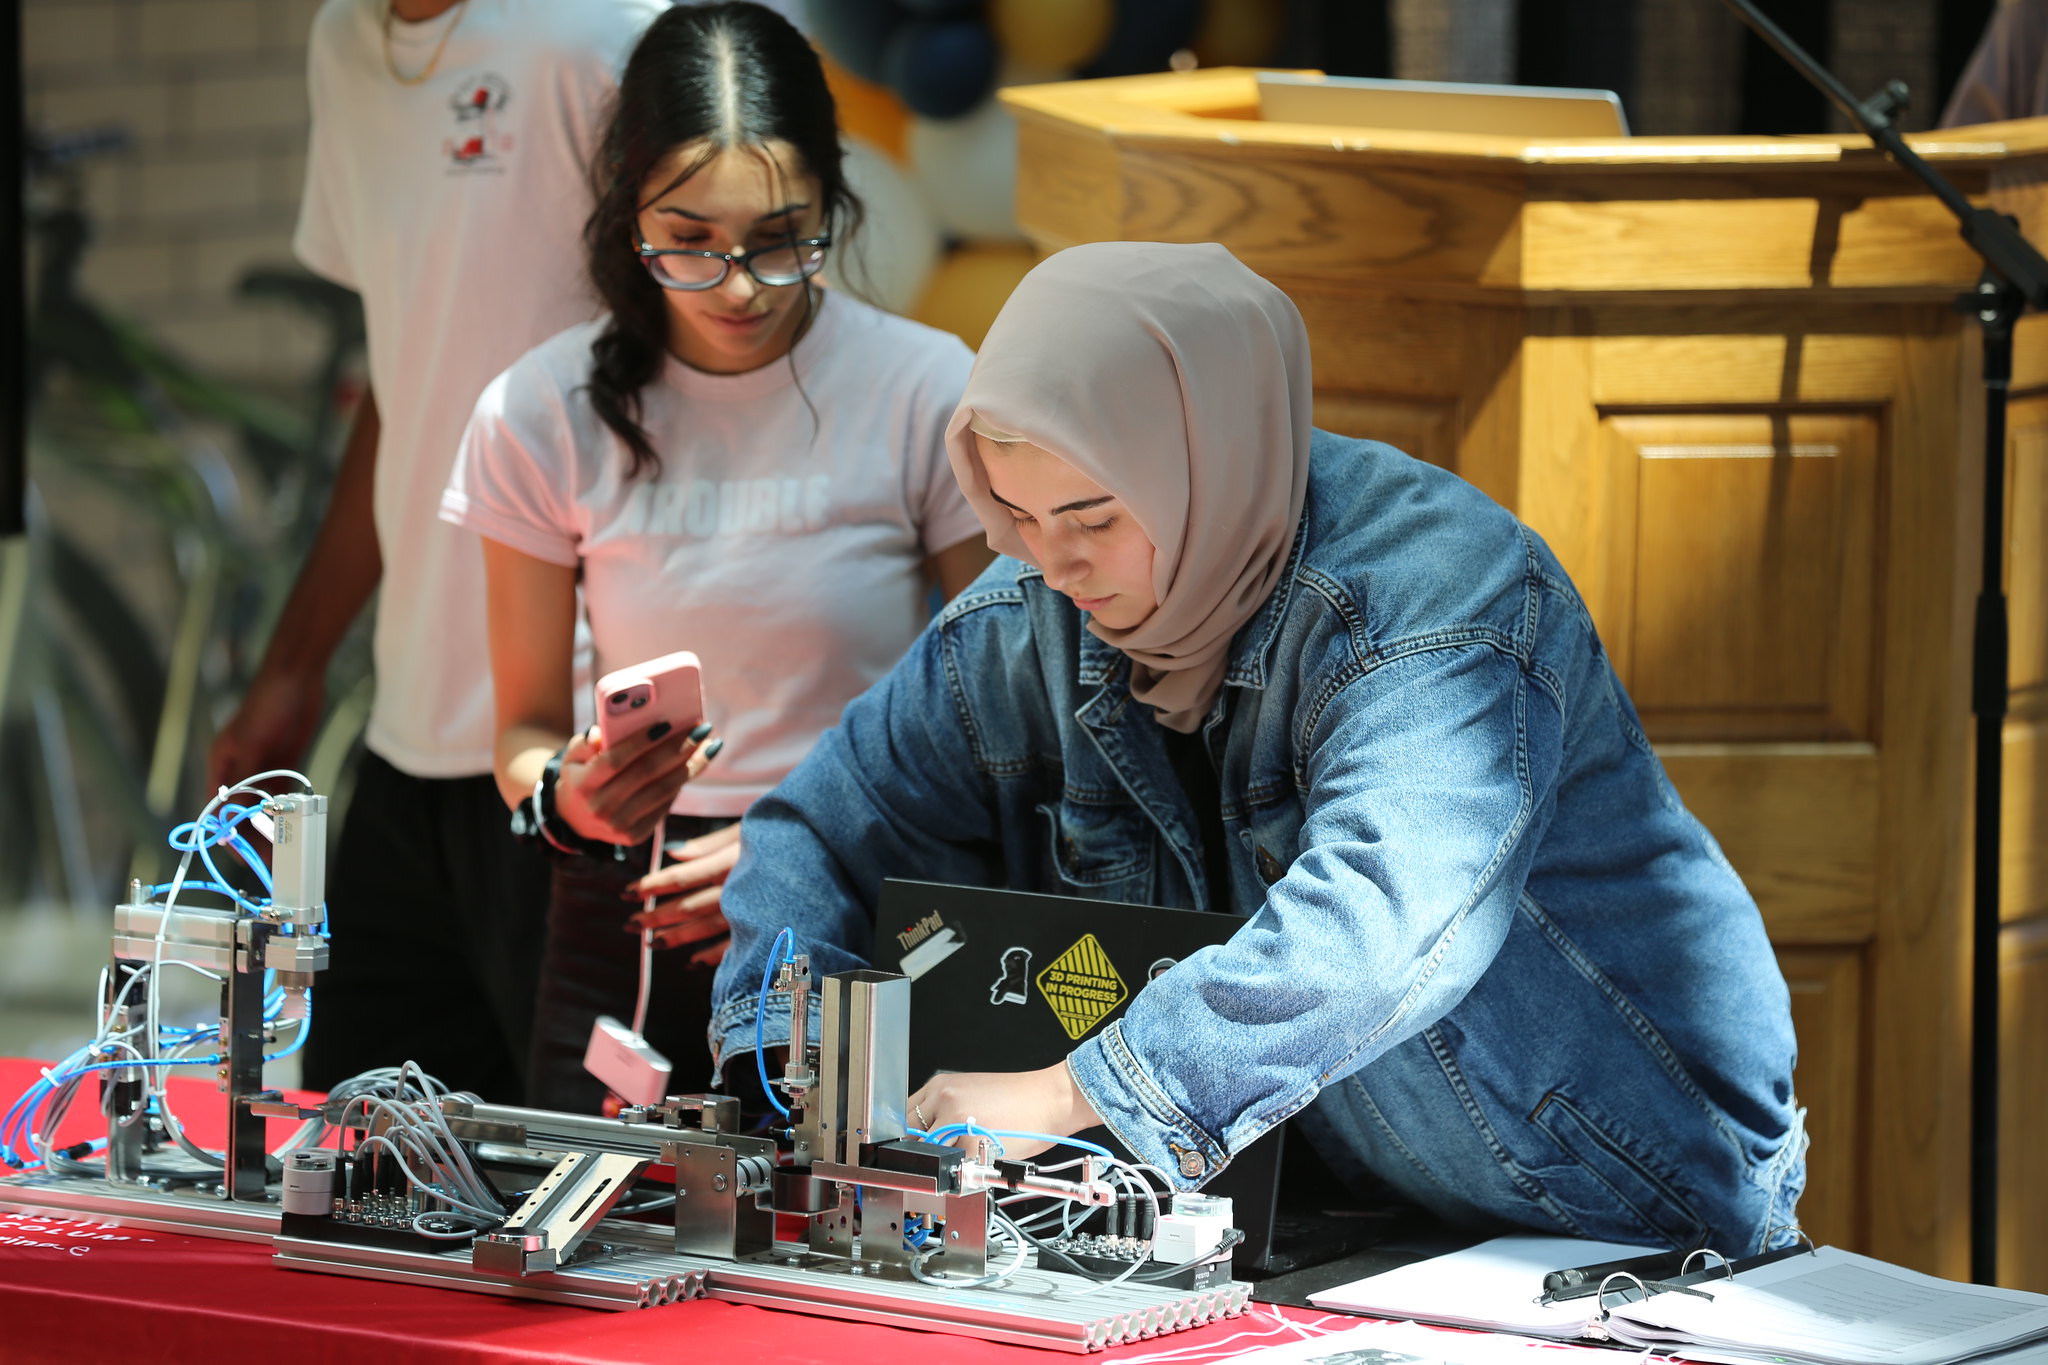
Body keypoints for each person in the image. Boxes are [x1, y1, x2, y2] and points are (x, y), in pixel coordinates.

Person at [708, 241, 1808, 1252]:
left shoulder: (1438, 604)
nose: (1051, 565)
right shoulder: (1025, 611)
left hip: (1617, 1192)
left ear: (1207, 458)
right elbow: (822, 829)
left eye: (1091, 516)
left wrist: (1062, 1094)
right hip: (1334, 1215)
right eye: (1014, 516)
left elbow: (1374, 925)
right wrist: (794, 1062)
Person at [441, 2, 991, 1113]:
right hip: (632, 917)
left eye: (781, 236)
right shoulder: (539, 411)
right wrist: (572, 795)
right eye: (687, 240)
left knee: (854, 1252)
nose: (737, 285)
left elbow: (993, 725)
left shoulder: (926, 388)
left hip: (867, 889)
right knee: (589, 1248)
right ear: (625, 210)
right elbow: (523, 732)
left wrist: (801, 843)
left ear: (836, 199)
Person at [205, 0, 667, 1098]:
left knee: (586, 1203)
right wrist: (294, 665)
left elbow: (720, 354)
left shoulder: (596, 38)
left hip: (585, 757)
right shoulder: (341, 46)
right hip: (410, 739)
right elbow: (404, 383)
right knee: (365, 1178)